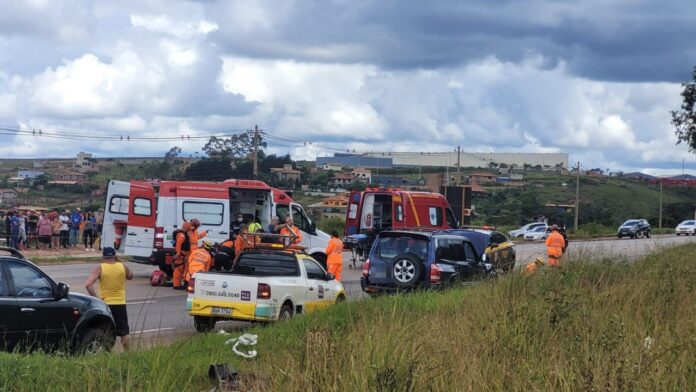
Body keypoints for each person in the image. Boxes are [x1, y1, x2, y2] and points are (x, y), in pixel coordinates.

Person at [84, 247, 133, 351]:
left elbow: (88, 285)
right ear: (115, 256)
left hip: (106, 304)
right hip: (120, 303)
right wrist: (120, 264)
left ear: (103, 256)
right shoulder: (122, 266)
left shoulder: (100, 268)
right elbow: (130, 276)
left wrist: (96, 299)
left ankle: (107, 353)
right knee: (123, 332)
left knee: (106, 331)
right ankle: (129, 354)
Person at [172, 221, 193, 290]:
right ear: (187, 228)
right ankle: (176, 284)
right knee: (178, 269)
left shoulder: (184, 234)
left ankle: (180, 283)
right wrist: (178, 253)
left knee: (181, 269)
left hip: (184, 254)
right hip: (181, 254)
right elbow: (178, 245)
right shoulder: (182, 235)